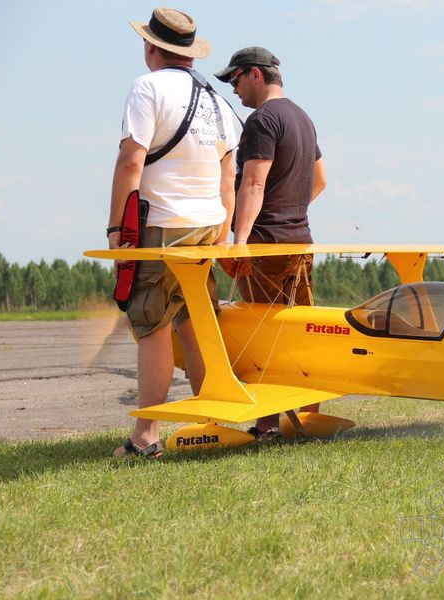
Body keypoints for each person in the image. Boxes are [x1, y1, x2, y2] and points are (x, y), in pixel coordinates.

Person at [107, 8, 239, 457]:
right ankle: (213, 422)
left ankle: (146, 437)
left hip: (163, 223)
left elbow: (131, 161)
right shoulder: (217, 100)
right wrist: (224, 233)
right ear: (190, 52)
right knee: (195, 321)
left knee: (152, 324)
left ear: (150, 47)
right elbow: (228, 175)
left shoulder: (147, 88)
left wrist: (116, 229)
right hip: (207, 224)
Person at [214, 46, 326, 440]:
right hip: (301, 243)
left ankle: (267, 426)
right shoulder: (302, 117)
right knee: (299, 334)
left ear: (255, 74)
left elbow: (253, 182)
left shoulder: (261, 120)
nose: (234, 89)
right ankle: (307, 415)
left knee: (261, 337)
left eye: (235, 79)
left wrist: (240, 241)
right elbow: (320, 181)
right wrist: (290, 210)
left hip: (265, 246)